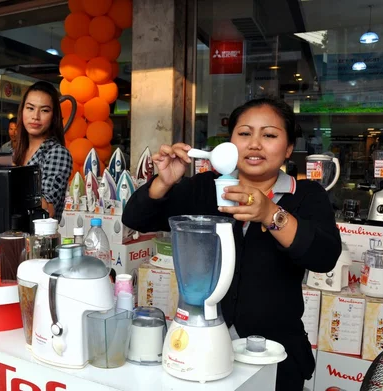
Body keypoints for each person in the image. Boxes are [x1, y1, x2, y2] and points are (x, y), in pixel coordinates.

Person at [121, 97, 341, 391]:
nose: (255, 144)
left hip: (274, 355)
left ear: (288, 148)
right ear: (230, 143)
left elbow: (323, 256)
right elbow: (136, 218)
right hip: (204, 345)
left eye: (270, 135)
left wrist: (269, 213)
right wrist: (164, 181)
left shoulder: (306, 195)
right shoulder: (204, 188)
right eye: (245, 133)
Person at [12, 81, 72, 221]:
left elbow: (45, 209)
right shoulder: (14, 152)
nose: (36, 116)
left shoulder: (57, 153)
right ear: (22, 111)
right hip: (7, 236)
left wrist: (10, 173)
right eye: (30, 108)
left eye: (44, 110)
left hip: (37, 240)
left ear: (54, 116)